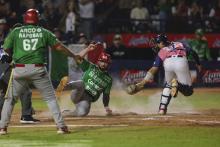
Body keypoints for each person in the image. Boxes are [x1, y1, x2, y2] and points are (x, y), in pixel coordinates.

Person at [0, 9, 78, 135]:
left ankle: (2, 128)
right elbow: (58, 47)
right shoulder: (43, 32)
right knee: (51, 99)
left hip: (19, 69)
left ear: (25, 19)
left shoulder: (16, 31)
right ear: (37, 19)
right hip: (38, 70)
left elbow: (5, 49)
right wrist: (73, 55)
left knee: (10, 99)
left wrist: (10, 56)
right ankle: (61, 127)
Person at [126, 34, 202, 115]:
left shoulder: (162, 51)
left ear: (162, 43)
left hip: (168, 62)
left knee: (168, 85)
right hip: (181, 61)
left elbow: (154, 69)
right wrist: (198, 64)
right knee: (188, 92)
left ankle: (162, 109)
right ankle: (177, 84)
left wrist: (142, 83)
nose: (156, 46)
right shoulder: (179, 44)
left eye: (157, 43)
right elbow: (193, 52)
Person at [56, 43, 113, 117]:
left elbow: (106, 95)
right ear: (98, 61)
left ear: (109, 64)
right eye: (102, 61)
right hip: (79, 92)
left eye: (106, 62)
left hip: (87, 99)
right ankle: (63, 87)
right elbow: (77, 58)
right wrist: (88, 49)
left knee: (82, 113)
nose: (103, 64)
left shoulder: (108, 79)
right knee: (82, 84)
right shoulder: (90, 66)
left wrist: (106, 107)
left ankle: (67, 113)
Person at [0, 21, 39, 124]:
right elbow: (8, 56)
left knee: (5, 94)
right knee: (25, 91)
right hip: (6, 69)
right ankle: (26, 116)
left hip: (3, 69)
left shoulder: (8, 39)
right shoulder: (16, 40)